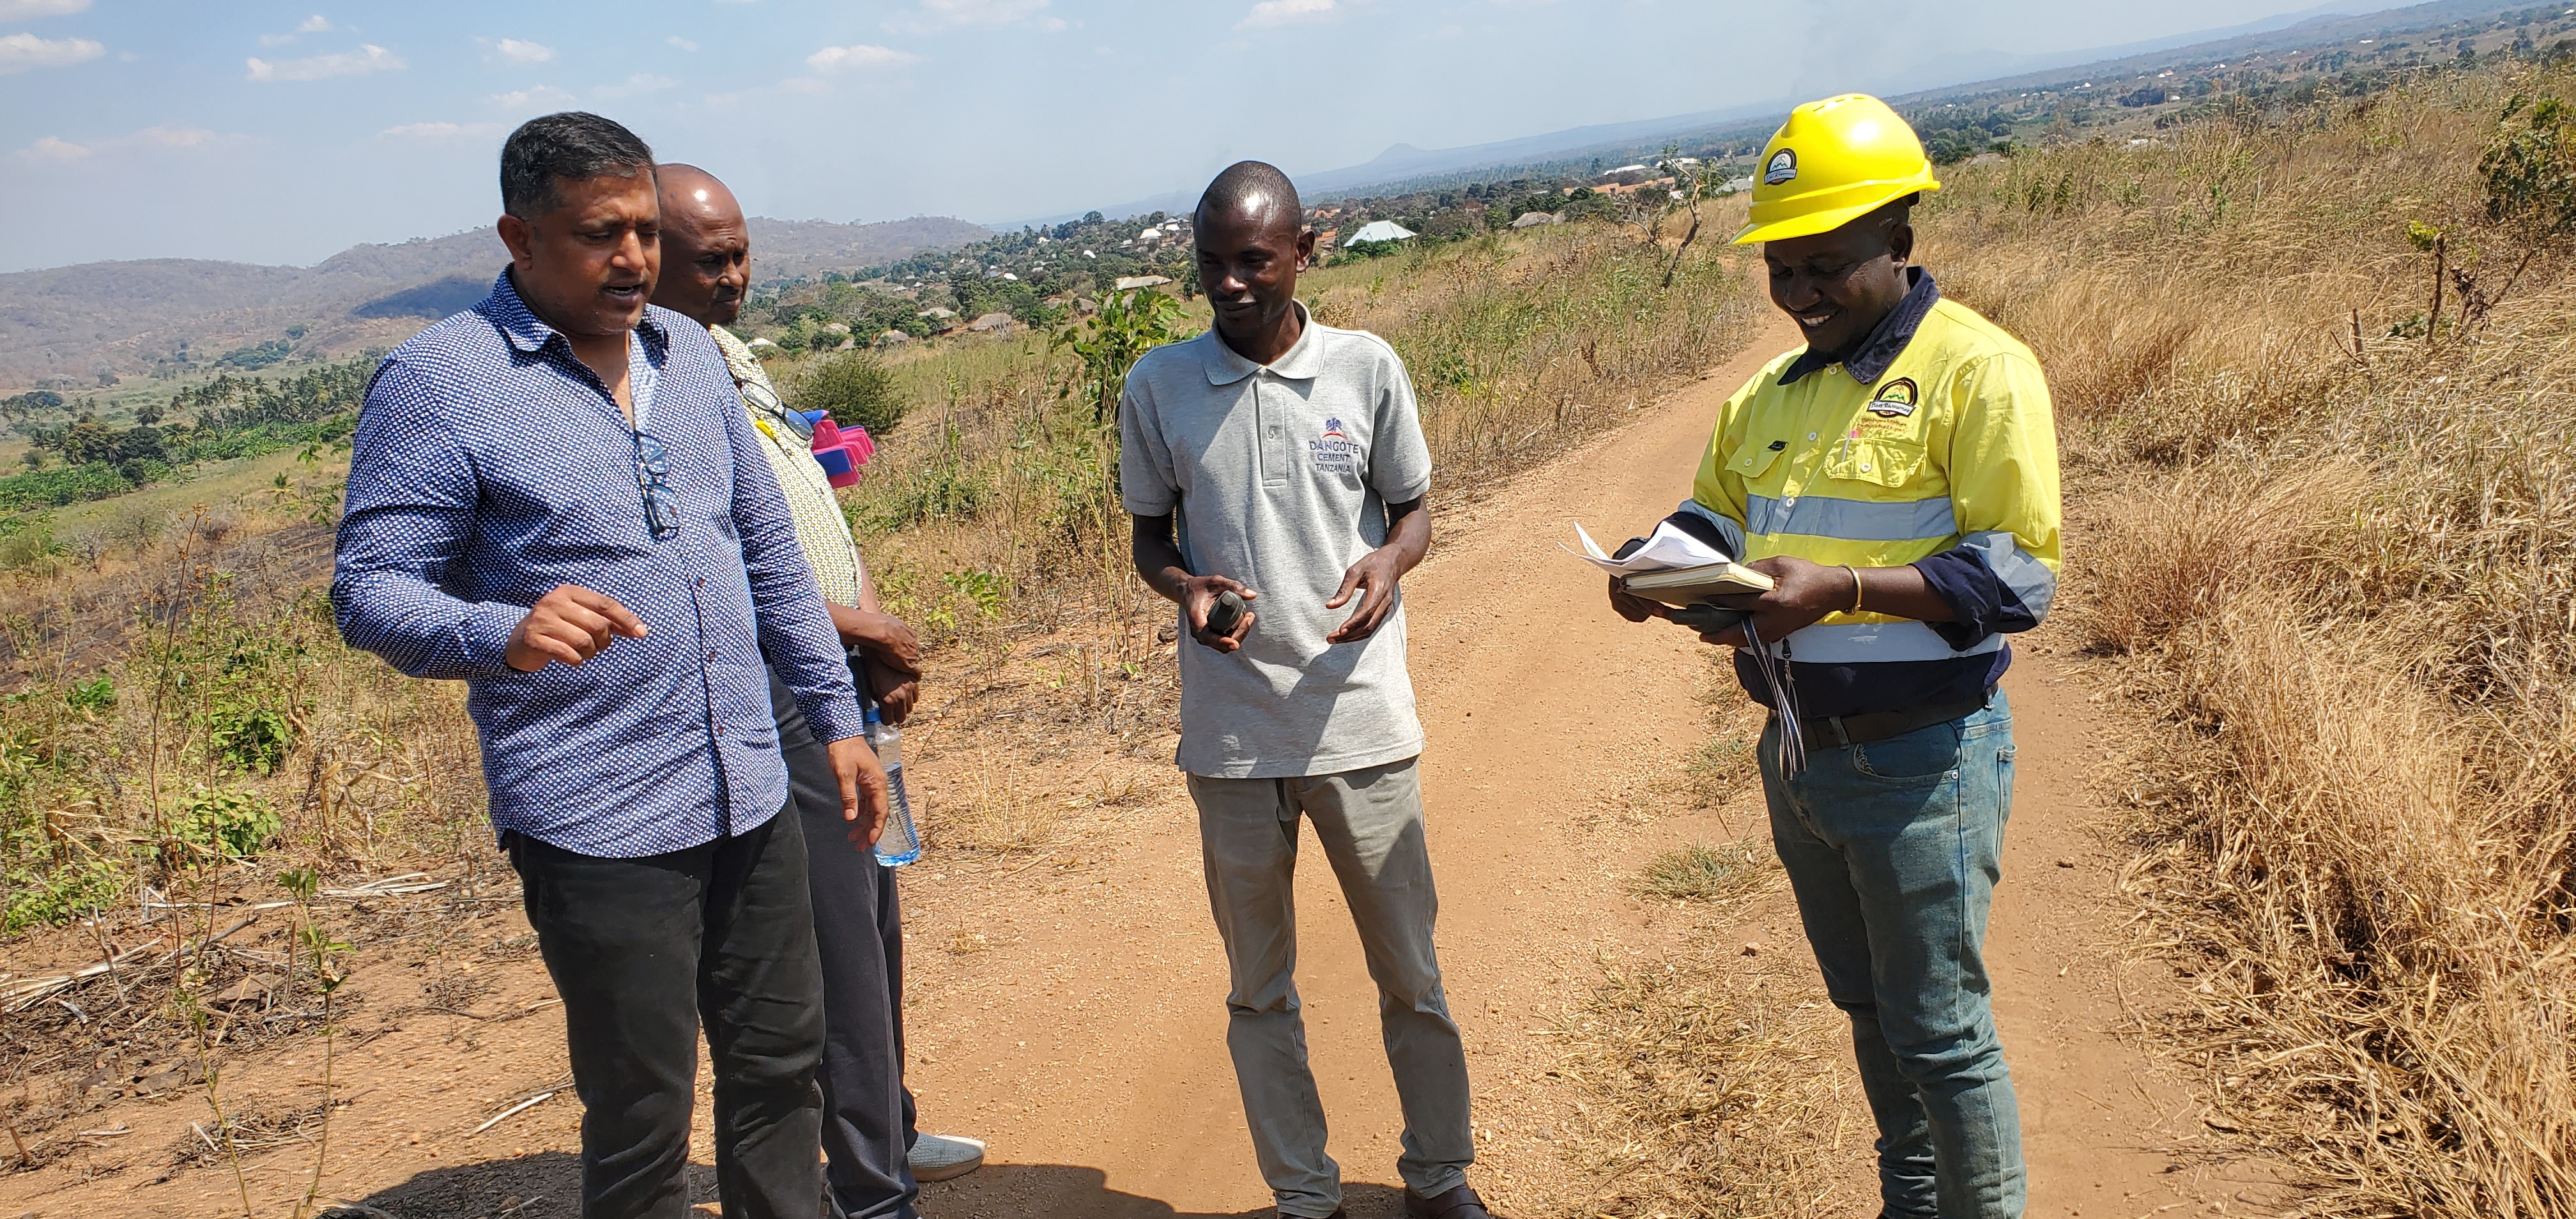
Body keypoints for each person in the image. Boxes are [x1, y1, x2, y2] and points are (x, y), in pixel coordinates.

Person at [331, 112, 890, 1219]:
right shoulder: (440, 382)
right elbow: (369, 590)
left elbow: (768, 553)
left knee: (782, 1067)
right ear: (520, 237)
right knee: (642, 1115)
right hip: (596, 812)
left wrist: (837, 720)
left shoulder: (686, 362)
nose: (633, 258)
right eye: (600, 235)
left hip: (750, 782)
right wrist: (499, 628)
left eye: (642, 231)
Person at [1608, 94, 2059, 1218]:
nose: (1800, 294)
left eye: (1826, 266)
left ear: (1900, 241)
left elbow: (2017, 582)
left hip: (1924, 763)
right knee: (1869, 1013)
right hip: (1800, 758)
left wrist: (1842, 592)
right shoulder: (1771, 395)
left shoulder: (1980, 372)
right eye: (1781, 270)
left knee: (1942, 1033)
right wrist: (1653, 569)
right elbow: (1713, 520)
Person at [1122, 160, 1495, 1219]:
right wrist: (1187, 585)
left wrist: (1393, 561)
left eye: (1254, 261)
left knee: (1411, 975)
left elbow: (1413, 509)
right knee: (1258, 990)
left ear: (1302, 254)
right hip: (1233, 742)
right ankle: (1302, 1193)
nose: (1231, 284)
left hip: (1360, 721)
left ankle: (1440, 1176)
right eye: (1212, 263)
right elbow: (1151, 537)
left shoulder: (1366, 369)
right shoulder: (1158, 386)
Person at [648, 163, 985, 1219]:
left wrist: (872, 634)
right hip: (775, 699)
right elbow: (711, 576)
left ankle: (886, 1121)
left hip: (836, 683)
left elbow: (810, 525)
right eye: (711, 259)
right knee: (836, 939)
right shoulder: (649, 389)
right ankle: (873, 1188)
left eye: (741, 252)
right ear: (646, 258)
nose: (734, 275)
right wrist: (858, 631)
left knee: (875, 913)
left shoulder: (727, 364)